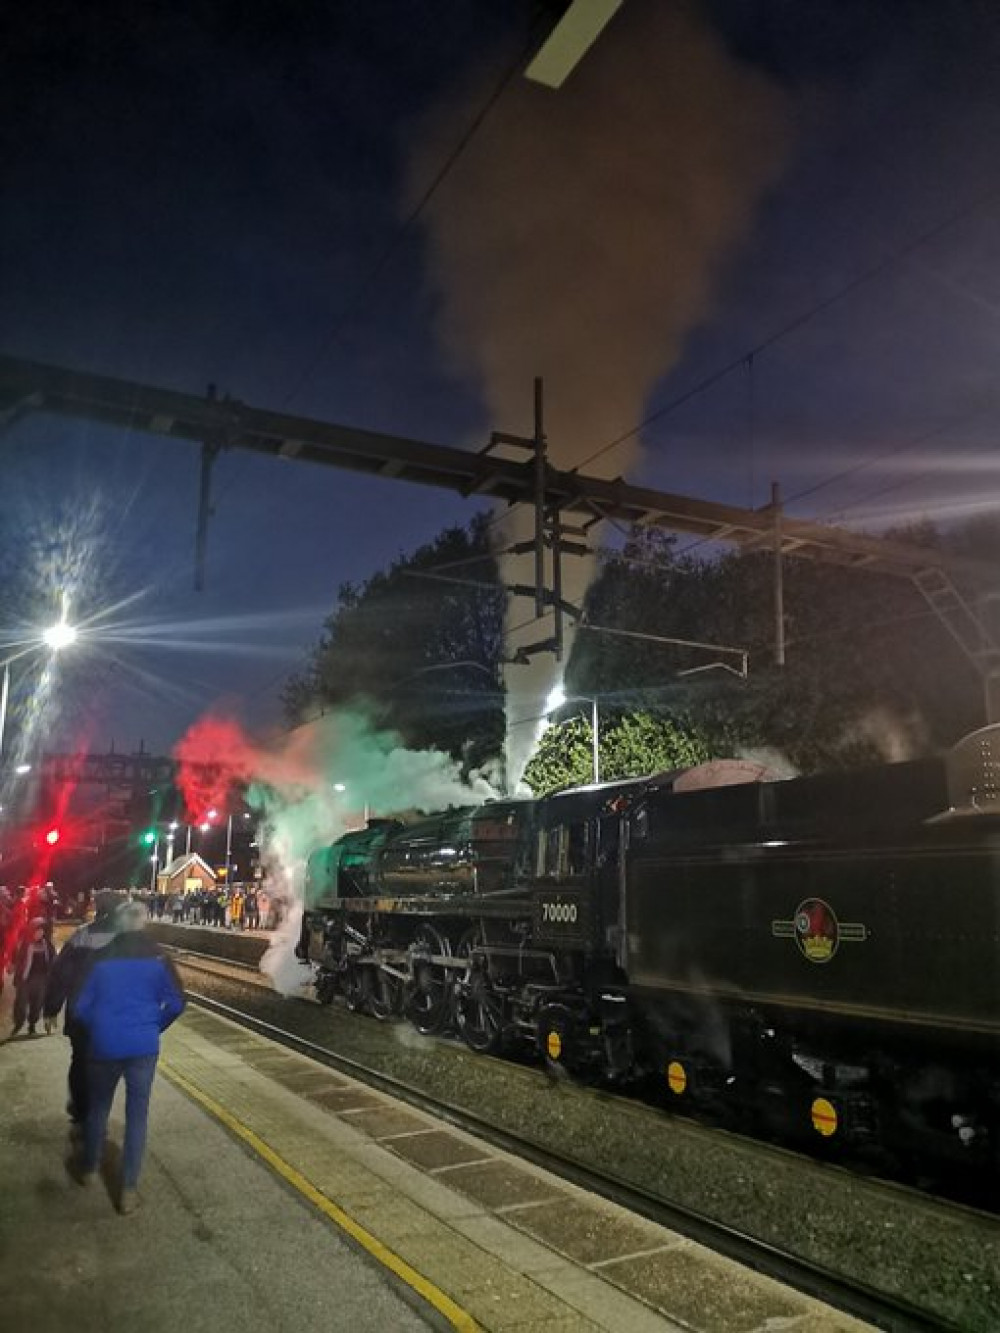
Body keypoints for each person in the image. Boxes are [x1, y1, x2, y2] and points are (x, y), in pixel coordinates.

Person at [70, 901, 186, 1213]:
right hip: (143, 1048)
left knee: (97, 1109)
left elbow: (79, 1007)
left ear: (120, 925)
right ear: (144, 924)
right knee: (137, 1116)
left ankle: (91, 1168)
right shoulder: (160, 958)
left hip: (104, 1045)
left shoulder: (100, 956)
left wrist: (101, 1026)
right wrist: (153, 1027)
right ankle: (128, 1190)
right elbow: (176, 1004)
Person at [43, 890, 122, 1128]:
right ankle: (98, 1110)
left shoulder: (82, 936)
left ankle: (80, 1108)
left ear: (98, 909)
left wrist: (51, 1008)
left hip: (82, 1014)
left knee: (80, 1061)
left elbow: (60, 974)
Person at [11, 918, 57, 1036]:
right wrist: (17, 977)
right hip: (26, 980)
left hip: (41, 979)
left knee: (37, 1004)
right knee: (21, 1004)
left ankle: (32, 1025)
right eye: (37, 930)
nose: (40, 933)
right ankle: (18, 1024)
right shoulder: (25, 944)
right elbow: (18, 961)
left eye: (42, 930)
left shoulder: (47, 945)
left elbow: (54, 959)